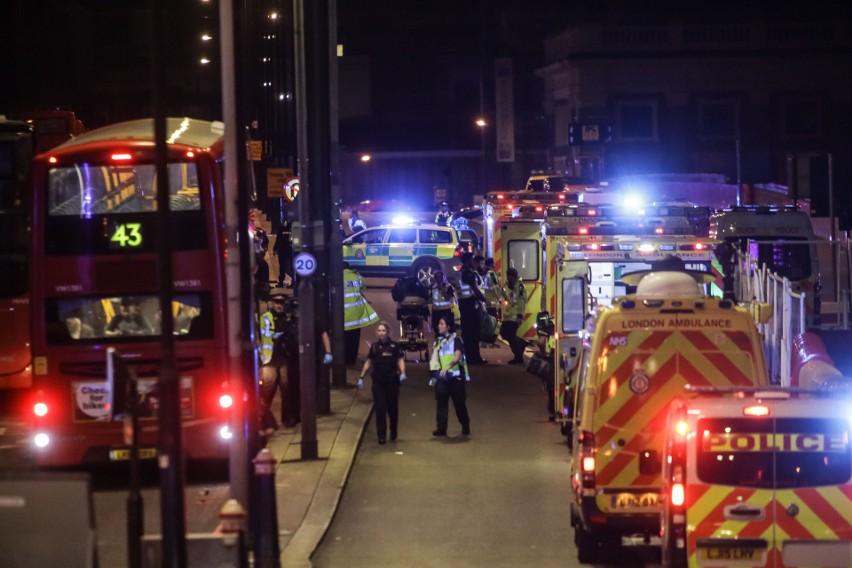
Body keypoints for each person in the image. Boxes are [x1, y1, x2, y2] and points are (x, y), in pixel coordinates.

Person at [357, 321, 407, 444]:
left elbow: (400, 360)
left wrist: (403, 372)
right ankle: (382, 435)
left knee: (392, 409)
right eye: (379, 331)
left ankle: (393, 430)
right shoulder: (374, 347)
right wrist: (361, 376)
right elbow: (369, 362)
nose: (381, 333)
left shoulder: (394, 346)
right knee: (380, 409)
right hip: (378, 382)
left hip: (392, 382)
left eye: (383, 330)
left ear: (388, 332)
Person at [429, 316, 471, 437]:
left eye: (442, 324)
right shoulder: (438, 341)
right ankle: (441, 428)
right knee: (441, 402)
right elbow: (434, 360)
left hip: (455, 377)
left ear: (448, 327)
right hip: (442, 377)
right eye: (439, 324)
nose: (439, 326)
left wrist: (448, 366)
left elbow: (457, 355)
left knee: (459, 403)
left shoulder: (456, 340)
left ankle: (465, 424)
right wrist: (433, 376)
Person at [456, 252, 489, 365]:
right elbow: (475, 289)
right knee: (474, 333)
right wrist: (484, 300)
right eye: (472, 260)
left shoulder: (462, 273)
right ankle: (475, 358)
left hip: (464, 305)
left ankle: (470, 357)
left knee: (467, 333)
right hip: (470, 305)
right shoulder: (468, 274)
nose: (473, 262)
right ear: (467, 261)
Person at [343, 262, 379, 365]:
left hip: (345, 314)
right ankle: (352, 360)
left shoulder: (338, 277)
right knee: (354, 339)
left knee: (344, 338)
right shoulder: (356, 277)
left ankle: (344, 360)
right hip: (357, 314)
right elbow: (364, 283)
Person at [501, 267, 529, 365]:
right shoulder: (513, 286)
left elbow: (521, 302)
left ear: (512, 276)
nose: (507, 279)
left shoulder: (519, 286)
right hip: (510, 316)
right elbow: (509, 299)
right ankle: (521, 344)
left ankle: (518, 356)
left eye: (508, 276)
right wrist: (503, 289)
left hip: (515, 316)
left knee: (508, 334)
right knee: (506, 333)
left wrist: (520, 316)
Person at [429, 270, 457, 336]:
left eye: (441, 277)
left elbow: (447, 298)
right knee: (437, 332)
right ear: (435, 279)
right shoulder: (433, 288)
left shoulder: (448, 287)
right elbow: (430, 299)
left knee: (447, 332)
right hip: (436, 313)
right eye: (438, 278)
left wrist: (441, 288)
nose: (439, 279)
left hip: (446, 312)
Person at [273, 219, 294, 288]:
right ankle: (282, 282)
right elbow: (278, 238)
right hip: (285, 249)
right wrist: (275, 248)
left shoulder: (292, 226)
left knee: (290, 266)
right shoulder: (282, 226)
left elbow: (278, 238)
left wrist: (275, 248)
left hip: (289, 249)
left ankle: (292, 282)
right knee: (283, 266)